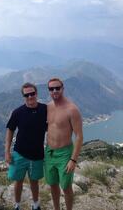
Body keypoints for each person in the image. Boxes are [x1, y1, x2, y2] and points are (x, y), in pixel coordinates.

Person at [5, 82, 47, 210]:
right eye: (26, 95)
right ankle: (17, 205)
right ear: (23, 96)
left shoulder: (45, 109)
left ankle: (35, 205)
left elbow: (55, 124)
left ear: (36, 94)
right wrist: (7, 151)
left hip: (37, 154)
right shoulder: (18, 112)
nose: (30, 97)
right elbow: (10, 130)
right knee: (18, 180)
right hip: (20, 153)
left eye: (32, 94)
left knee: (34, 181)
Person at [45, 78, 84, 210]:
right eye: (51, 89)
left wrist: (73, 159)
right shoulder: (48, 107)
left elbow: (79, 136)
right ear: (49, 91)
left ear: (63, 88)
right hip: (49, 152)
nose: (54, 91)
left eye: (57, 88)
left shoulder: (72, 109)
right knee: (53, 184)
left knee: (66, 186)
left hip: (65, 153)